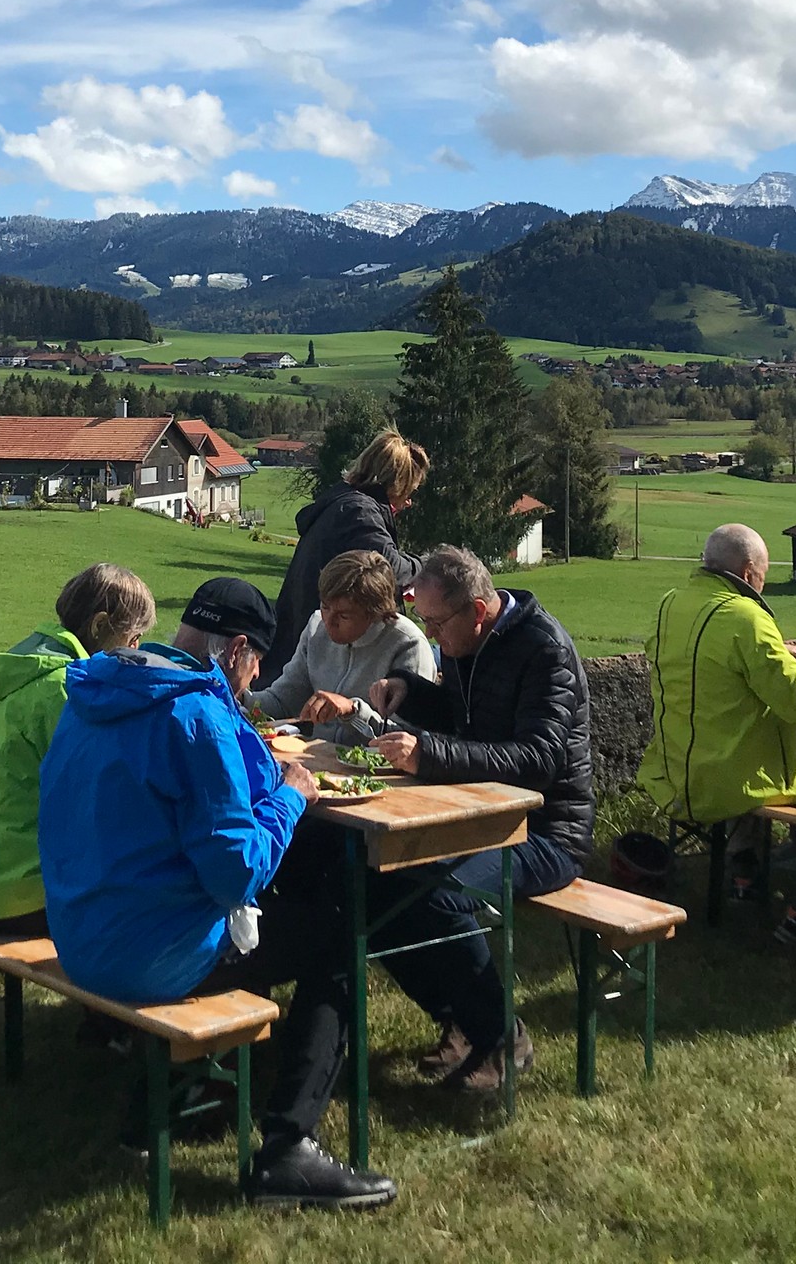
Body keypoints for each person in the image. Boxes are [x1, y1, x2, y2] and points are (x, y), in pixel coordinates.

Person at [39, 578, 395, 1210]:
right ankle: (288, 1150)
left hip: (80, 932)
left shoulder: (98, 689)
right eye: (255, 664)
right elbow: (237, 872)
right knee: (337, 939)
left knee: (269, 923)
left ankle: (170, 1110)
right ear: (237, 650)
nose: (252, 681)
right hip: (148, 955)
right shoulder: (194, 714)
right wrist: (293, 795)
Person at [365, 544, 592, 1090]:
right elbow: (466, 719)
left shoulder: (545, 650)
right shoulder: (467, 640)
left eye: (437, 624)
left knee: (437, 893)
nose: (433, 636)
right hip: (479, 815)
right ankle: (462, 1020)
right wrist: (412, 692)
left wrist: (429, 754)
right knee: (377, 889)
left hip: (546, 832)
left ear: (480, 611)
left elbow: (537, 760)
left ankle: (500, 1038)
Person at [635, 523, 796, 910]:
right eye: (764, 577)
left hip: (679, 770)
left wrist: (773, 655)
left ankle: (745, 862)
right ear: (749, 572)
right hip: (735, 780)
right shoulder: (746, 618)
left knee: (743, 745)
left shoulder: (671, 603)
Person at [0, 562, 155, 931]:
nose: (137, 650)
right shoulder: (65, 688)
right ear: (99, 626)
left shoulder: (16, 670)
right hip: (10, 899)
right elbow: (106, 796)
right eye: (132, 638)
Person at [265, 430, 429, 687]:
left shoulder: (340, 502)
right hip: (323, 641)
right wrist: (424, 566)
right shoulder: (360, 513)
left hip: (303, 632)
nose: (408, 501)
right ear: (395, 484)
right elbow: (390, 568)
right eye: (410, 490)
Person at [250, 549, 437, 745]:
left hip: (377, 772)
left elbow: (410, 741)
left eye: (344, 615)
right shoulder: (316, 627)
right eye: (325, 606)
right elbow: (283, 700)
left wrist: (352, 711)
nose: (329, 621)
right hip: (319, 761)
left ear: (374, 614)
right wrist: (237, 698)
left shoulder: (408, 644)